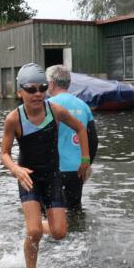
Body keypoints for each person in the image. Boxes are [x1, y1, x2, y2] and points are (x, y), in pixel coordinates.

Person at [0, 63, 90, 268]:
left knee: (59, 233)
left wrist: (85, 159)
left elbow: (80, 127)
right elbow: (4, 153)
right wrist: (15, 169)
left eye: (41, 88)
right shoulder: (14, 119)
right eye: (31, 90)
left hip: (52, 177)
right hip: (28, 178)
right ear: (20, 91)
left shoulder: (55, 110)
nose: (37, 94)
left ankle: (37, 226)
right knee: (33, 233)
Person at [45, 65, 99, 211]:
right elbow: (93, 140)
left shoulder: (47, 106)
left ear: (51, 84)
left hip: (53, 170)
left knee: (52, 211)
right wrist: (86, 164)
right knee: (75, 210)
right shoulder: (83, 106)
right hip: (77, 169)